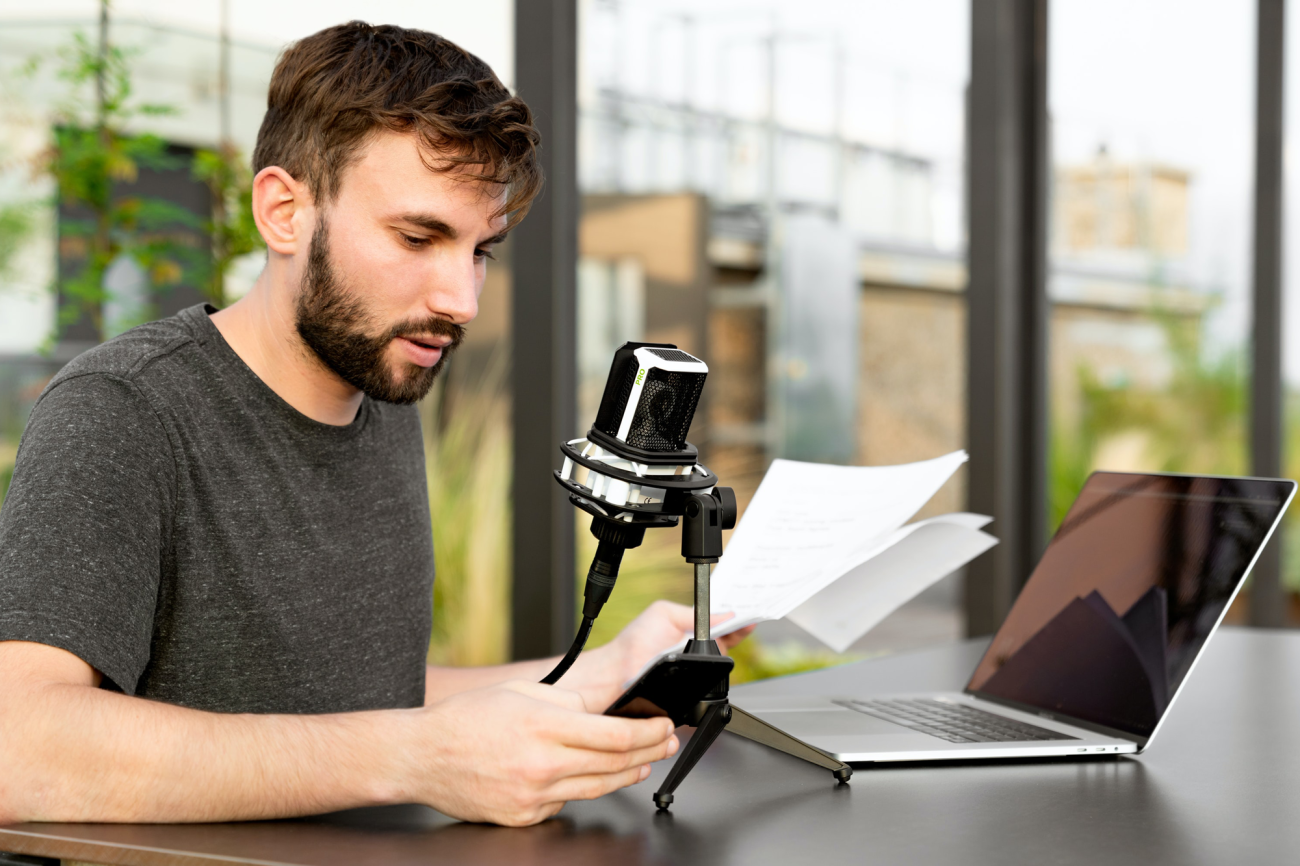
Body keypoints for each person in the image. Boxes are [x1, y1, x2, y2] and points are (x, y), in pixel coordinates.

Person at [0, 21, 748, 828]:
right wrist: (416, 757)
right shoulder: (122, 413)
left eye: (479, 251)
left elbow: (366, 703)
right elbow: (19, 747)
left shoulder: (379, 384)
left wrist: (605, 671)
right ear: (284, 211)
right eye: (417, 237)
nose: (459, 300)